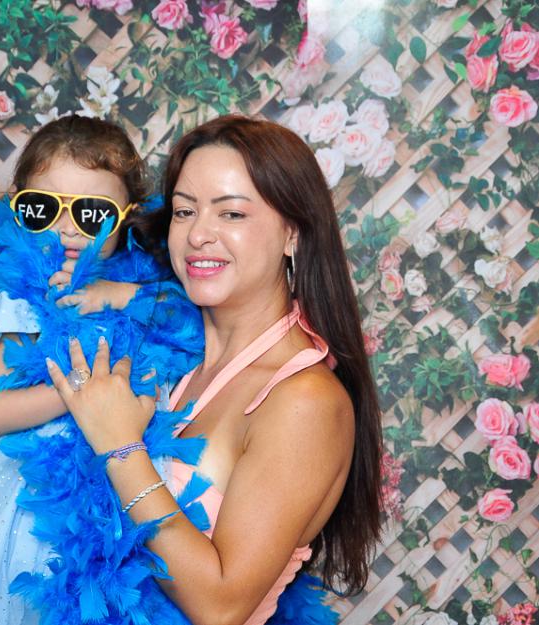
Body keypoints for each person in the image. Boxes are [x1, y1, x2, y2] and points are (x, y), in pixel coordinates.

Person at [46, 115, 384, 625]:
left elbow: (220, 605)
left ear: (293, 233)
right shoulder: (169, 356)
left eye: (232, 213)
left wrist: (121, 447)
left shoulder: (304, 400)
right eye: (185, 211)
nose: (198, 234)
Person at [0, 115, 204, 625]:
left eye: (92, 214)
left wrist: (119, 295)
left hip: (118, 486)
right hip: (29, 500)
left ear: (128, 217)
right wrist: (78, 395)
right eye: (43, 209)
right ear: (18, 209)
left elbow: (191, 322)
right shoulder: (24, 296)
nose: (67, 228)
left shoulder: (145, 287)